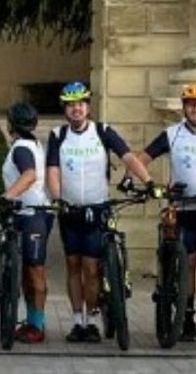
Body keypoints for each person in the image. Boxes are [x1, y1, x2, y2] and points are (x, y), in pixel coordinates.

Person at [45, 80, 151, 343]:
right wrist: (57, 198)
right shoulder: (58, 135)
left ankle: (91, 320)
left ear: (88, 107)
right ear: (65, 109)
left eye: (81, 104)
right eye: (71, 105)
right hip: (69, 209)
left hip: (97, 208)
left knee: (91, 268)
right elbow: (53, 171)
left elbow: (128, 157)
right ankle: (76, 321)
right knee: (73, 265)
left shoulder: (103, 132)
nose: (76, 109)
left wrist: (148, 182)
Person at [136, 83, 196, 343]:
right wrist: (153, 185)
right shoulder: (172, 134)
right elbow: (142, 159)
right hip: (183, 208)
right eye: (191, 105)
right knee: (187, 265)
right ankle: (188, 320)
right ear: (184, 108)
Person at [0, 102, 53, 344]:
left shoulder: (21, 147)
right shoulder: (34, 143)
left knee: (35, 269)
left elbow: (29, 175)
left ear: (10, 124)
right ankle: (31, 321)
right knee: (27, 271)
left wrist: (7, 196)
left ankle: (38, 325)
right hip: (26, 213)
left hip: (32, 215)